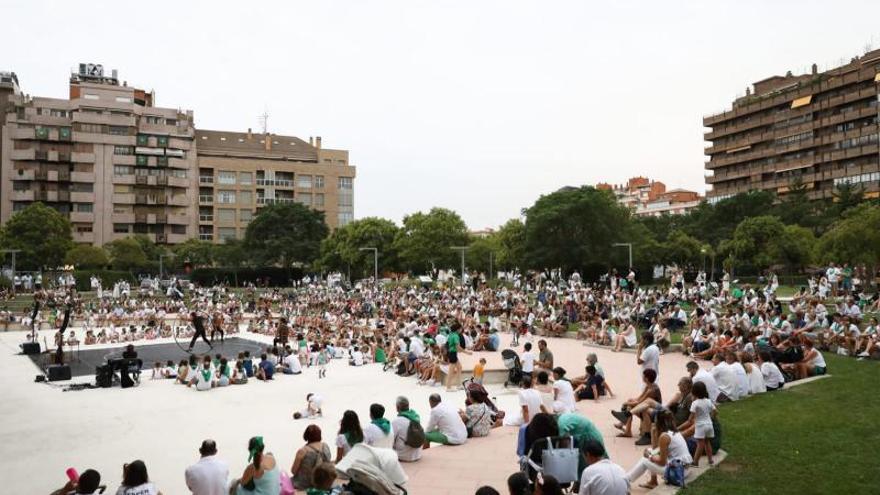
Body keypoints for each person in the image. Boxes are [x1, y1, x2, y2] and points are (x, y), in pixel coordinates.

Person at [624, 409, 692, 490]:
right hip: (682, 468)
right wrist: (653, 434)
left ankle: (625, 480)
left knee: (644, 460)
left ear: (658, 422)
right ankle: (653, 482)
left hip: (677, 472)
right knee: (650, 451)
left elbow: (662, 462)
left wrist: (649, 456)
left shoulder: (664, 436)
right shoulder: (674, 432)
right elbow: (656, 449)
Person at [683, 381, 716, 466]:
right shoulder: (708, 401)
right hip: (709, 424)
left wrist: (690, 420)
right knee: (707, 442)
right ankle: (710, 460)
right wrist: (712, 417)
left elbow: (690, 418)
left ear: (694, 392)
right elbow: (715, 411)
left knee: (700, 444)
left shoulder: (695, 403)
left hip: (700, 426)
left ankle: (695, 461)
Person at [291, 425, 332, 491]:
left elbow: (293, 471)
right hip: (322, 481)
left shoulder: (303, 451)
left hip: (305, 483)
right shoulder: (325, 446)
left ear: (306, 435)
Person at [391, 396, 423, 462]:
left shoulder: (396, 421)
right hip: (418, 454)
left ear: (397, 407)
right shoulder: (416, 417)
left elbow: (391, 440)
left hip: (403, 456)